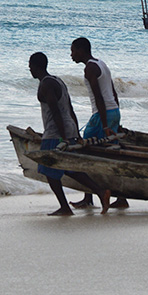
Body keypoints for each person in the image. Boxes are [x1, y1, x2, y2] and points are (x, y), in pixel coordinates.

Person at [29, 52, 111, 216]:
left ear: (37, 67)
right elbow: (70, 108)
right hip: (69, 128)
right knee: (69, 168)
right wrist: (75, 132)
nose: (29, 69)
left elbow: (56, 111)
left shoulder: (46, 84)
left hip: (55, 132)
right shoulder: (58, 80)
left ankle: (65, 207)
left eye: (30, 66)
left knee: (48, 168)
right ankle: (101, 192)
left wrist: (63, 137)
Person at [69, 37, 128, 209]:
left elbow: (98, 97)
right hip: (113, 111)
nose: (71, 55)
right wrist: (116, 117)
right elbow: (113, 92)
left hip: (102, 115)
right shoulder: (101, 64)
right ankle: (121, 196)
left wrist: (104, 125)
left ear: (81, 50)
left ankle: (89, 198)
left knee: (84, 151)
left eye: (73, 51)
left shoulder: (90, 68)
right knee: (111, 153)